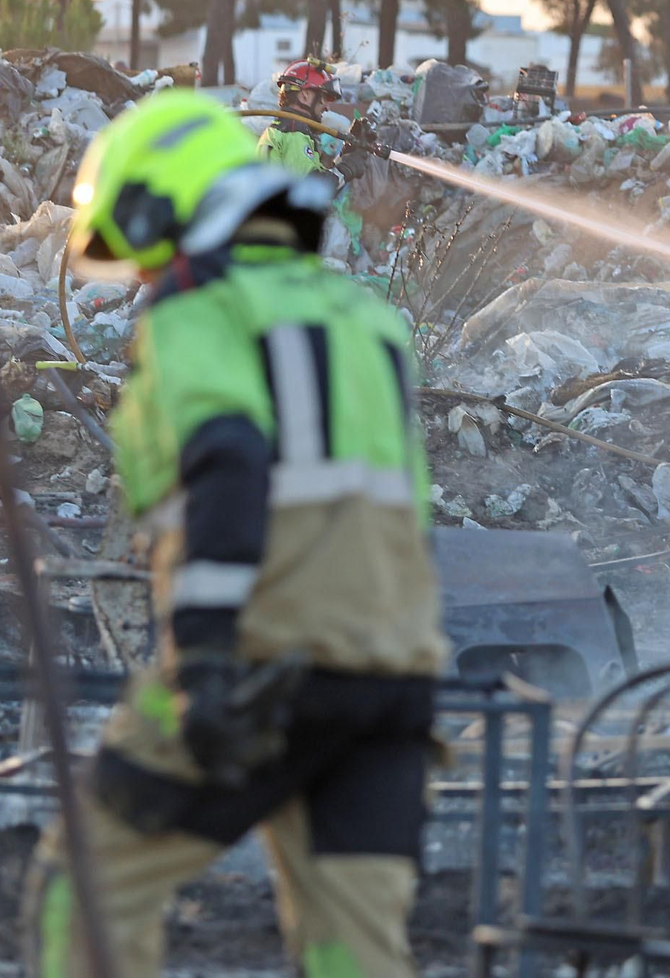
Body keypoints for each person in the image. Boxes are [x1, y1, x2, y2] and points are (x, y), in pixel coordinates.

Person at [25, 90, 447, 977]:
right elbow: (409, 514)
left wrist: (207, 660)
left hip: (261, 664)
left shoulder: (200, 313)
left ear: (170, 209)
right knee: (358, 954)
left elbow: (226, 461)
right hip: (392, 679)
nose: (141, 277)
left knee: (88, 885)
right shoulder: (366, 321)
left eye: (140, 247)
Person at [256, 57, 342, 175]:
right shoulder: (294, 131)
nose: (327, 107)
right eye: (323, 98)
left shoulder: (282, 128)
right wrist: (347, 168)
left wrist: (344, 156)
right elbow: (314, 187)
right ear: (305, 94)